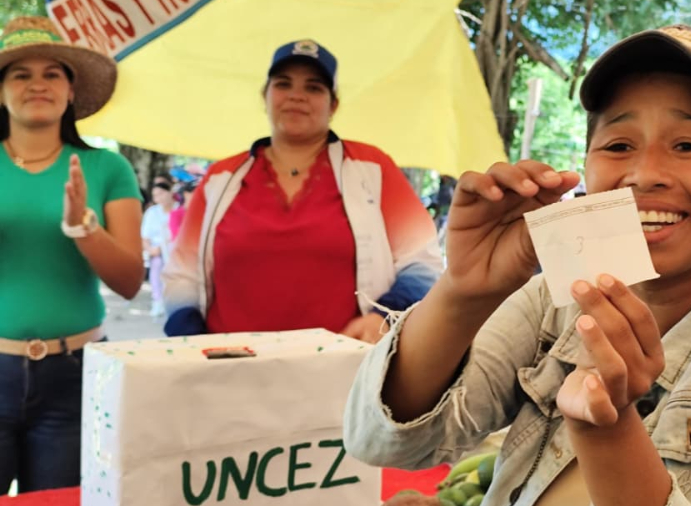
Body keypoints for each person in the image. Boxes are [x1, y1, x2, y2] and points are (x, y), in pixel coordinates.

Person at [344, 25, 691, 506]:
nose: (644, 174)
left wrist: (609, 429)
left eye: (687, 144)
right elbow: (382, 442)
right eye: (619, 144)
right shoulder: (552, 301)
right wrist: (463, 292)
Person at [163, 39, 441, 343]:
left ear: (333, 105)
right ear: (265, 96)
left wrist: (384, 315)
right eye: (283, 84)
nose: (297, 96)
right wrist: (189, 338)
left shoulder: (372, 167)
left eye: (313, 87)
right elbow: (182, 273)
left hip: (345, 372)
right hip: (226, 370)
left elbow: (423, 263)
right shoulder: (220, 177)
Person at [0, 17, 143, 493]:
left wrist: (83, 226)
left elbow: (129, 281)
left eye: (51, 73)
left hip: (78, 374)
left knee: (62, 501)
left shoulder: (108, 167)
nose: (37, 84)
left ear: (70, 91)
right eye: (21, 74)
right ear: (1, 92)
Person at [141, 181, 176, 317]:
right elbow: (145, 237)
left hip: (173, 248)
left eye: (161, 193)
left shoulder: (178, 210)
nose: (159, 198)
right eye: (155, 195)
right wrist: (150, 250)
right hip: (157, 251)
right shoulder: (152, 212)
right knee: (157, 264)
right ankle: (158, 300)